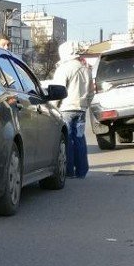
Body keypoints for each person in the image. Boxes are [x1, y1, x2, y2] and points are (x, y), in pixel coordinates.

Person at [51, 40, 93, 178]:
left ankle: (69, 171)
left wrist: (53, 108)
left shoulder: (64, 68)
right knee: (80, 139)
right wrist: (85, 104)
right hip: (81, 110)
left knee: (67, 139)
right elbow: (91, 92)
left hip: (66, 109)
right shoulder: (86, 68)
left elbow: (58, 91)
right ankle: (82, 171)